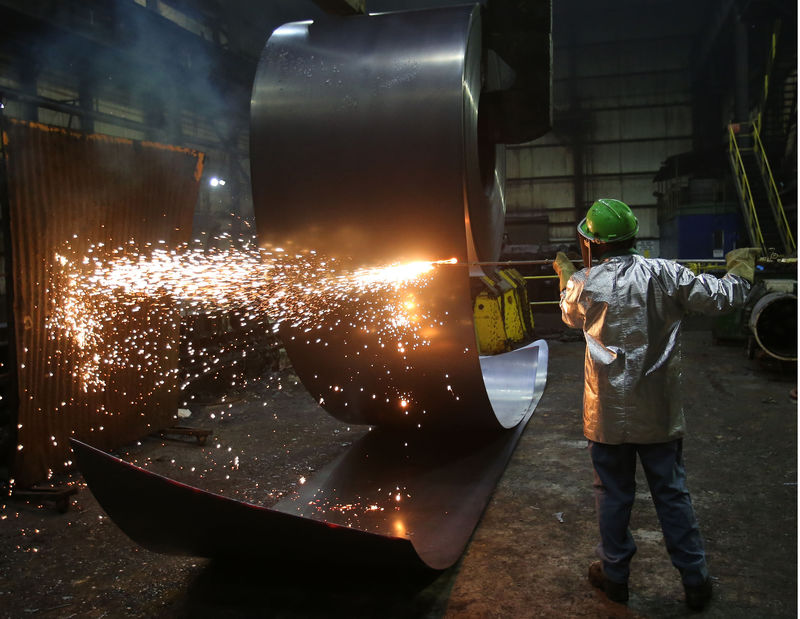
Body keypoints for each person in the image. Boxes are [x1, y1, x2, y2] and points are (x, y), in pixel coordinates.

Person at [551, 198, 757, 610]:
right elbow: (721, 298)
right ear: (632, 237)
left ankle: (615, 577)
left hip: (607, 415)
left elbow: (569, 313)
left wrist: (567, 276)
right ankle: (695, 580)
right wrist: (740, 268)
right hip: (657, 413)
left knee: (612, 495)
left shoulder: (584, 284)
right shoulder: (665, 274)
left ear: (591, 242)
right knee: (672, 493)